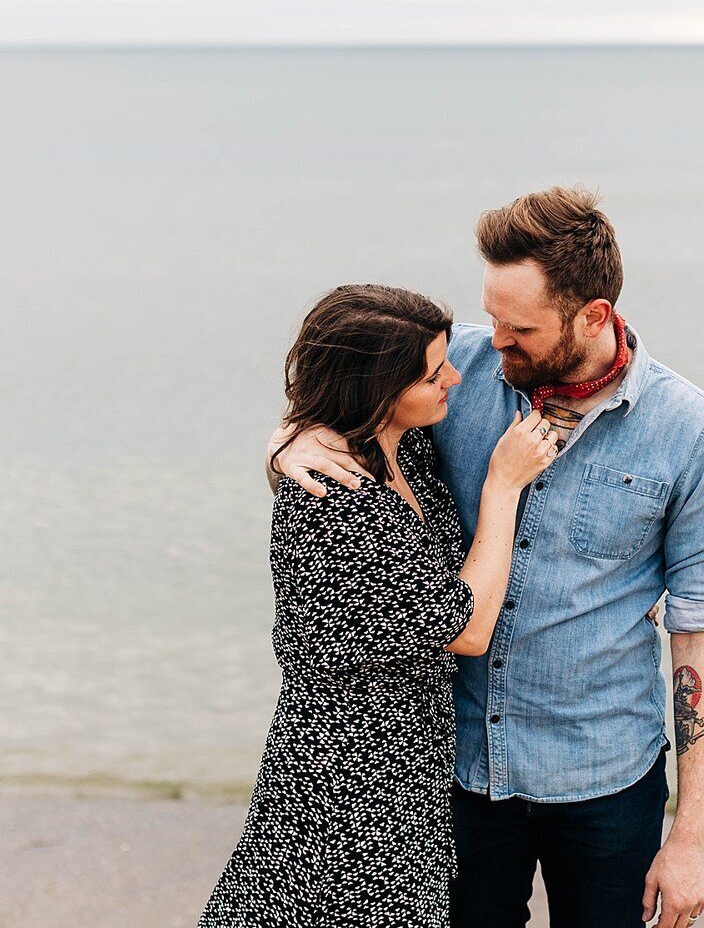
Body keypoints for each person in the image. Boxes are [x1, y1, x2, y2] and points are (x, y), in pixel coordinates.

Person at [272, 189, 704, 928]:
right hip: (456, 771)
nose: (495, 341)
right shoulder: (448, 368)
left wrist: (691, 834)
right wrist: (286, 439)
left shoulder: (691, 429)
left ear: (594, 314)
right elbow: (346, 399)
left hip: (606, 775)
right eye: (491, 316)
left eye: (520, 327)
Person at [200, 284, 564, 928]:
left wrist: (286, 432)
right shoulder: (334, 504)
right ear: (377, 391)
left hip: (412, 767)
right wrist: (504, 484)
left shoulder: (404, 447)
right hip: (346, 784)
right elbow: (469, 628)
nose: (454, 378)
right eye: (432, 374)